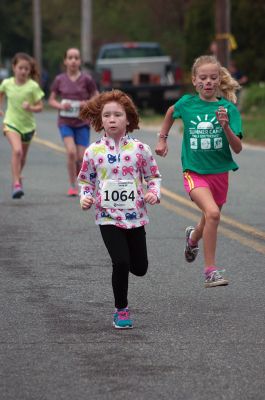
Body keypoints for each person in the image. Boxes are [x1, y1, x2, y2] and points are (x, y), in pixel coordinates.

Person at [155, 55, 243, 288]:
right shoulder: (187, 103)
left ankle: (193, 238)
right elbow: (170, 113)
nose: (208, 82)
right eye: (203, 78)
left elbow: (238, 148)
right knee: (213, 214)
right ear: (194, 81)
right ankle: (210, 271)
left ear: (219, 80)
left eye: (213, 78)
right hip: (194, 172)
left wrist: (225, 127)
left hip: (220, 173)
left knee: (207, 219)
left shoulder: (228, 109)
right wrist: (162, 140)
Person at [77, 89, 161, 328]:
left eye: (117, 114)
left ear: (128, 119)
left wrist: (153, 192)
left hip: (136, 217)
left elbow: (153, 176)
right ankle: (121, 309)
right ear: (100, 120)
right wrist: (85, 197)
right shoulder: (93, 152)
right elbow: (86, 180)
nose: (112, 119)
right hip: (107, 216)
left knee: (140, 268)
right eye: (107, 115)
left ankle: (129, 276)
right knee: (121, 262)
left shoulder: (140, 150)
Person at [48, 48, 98, 197]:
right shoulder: (59, 79)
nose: (73, 61)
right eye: (70, 58)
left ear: (80, 61)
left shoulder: (87, 79)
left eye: (76, 58)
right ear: (65, 61)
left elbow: (97, 96)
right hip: (65, 122)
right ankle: (72, 185)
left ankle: (80, 176)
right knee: (71, 152)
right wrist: (60, 105)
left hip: (82, 123)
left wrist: (86, 103)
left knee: (81, 157)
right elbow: (51, 99)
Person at [0, 52, 44, 199]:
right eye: (21, 68)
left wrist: (31, 108)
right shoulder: (7, 83)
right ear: (14, 67)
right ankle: (16, 183)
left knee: (23, 157)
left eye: (26, 69)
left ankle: (17, 177)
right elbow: (1, 94)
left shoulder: (32, 86)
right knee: (17, 151)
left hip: (28, 127)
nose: (23, 71)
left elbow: (40, 106)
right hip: (11, 123)